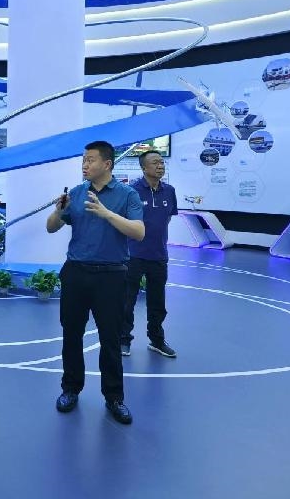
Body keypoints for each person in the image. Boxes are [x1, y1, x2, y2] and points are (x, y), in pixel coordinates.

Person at [45, 140, 144, 425]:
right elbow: (51, 227)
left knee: (110, 338)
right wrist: (57, 211)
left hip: (111, 276)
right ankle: (70, 389)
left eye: (90, 160)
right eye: (83, 160)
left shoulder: (127, 195)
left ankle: (114, 397)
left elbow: (138, 232)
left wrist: (106, 213)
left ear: (107, 164)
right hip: (76, 272)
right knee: (71, 334)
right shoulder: (76, 193)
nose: (84, 165)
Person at [122, 150, 179, 358]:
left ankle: (157, 340)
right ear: (143, 168)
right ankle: (123, 340)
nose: (160, 166)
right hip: (133, 255)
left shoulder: (169, 191)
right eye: (155, 163)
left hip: (158, 255)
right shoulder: (131, 191)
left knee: (157, 303)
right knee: (127, 301)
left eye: (162, 162)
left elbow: (167, 218)